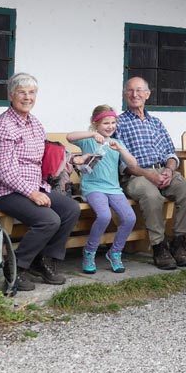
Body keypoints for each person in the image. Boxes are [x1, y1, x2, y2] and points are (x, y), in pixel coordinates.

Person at [0, 72, 81, 291]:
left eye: (32, 92)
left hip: (32, 186)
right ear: (11, 95)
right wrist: (33, 193)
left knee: (71, 208)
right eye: (22, 92)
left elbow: (41, 158)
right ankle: (16, 267)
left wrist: (69, 160)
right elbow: (4, 171)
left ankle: (44, 260)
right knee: (49, 220)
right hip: (1, 191)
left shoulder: (34, 123)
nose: (27, 97)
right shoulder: (3, 126)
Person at [116, 76, 186, 270]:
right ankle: (159, 246)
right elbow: (122, 163)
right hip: (136, 174)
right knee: (152, 196)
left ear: (147, 94)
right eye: (130, 91)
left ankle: (178, 243)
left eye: (139, 90)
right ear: (125, 95)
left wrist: (169, 169)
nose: (135, 95)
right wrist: (148, 175)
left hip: (162, 170)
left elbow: (171, 153)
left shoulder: (156, 123)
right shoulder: (118, 123)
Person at [66, 105, 139, 274]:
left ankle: (115, 252)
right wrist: (92, 134)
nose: (110, 126)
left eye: (113, 122)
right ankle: (89, 252)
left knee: (129, 218)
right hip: (93, 188)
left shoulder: (117, 143)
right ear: (96, 124)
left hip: (114, 189)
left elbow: (133, 164)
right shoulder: (89, 140)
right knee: (104, 215)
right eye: (106, 123)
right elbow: (69, 137)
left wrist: (120, 149)